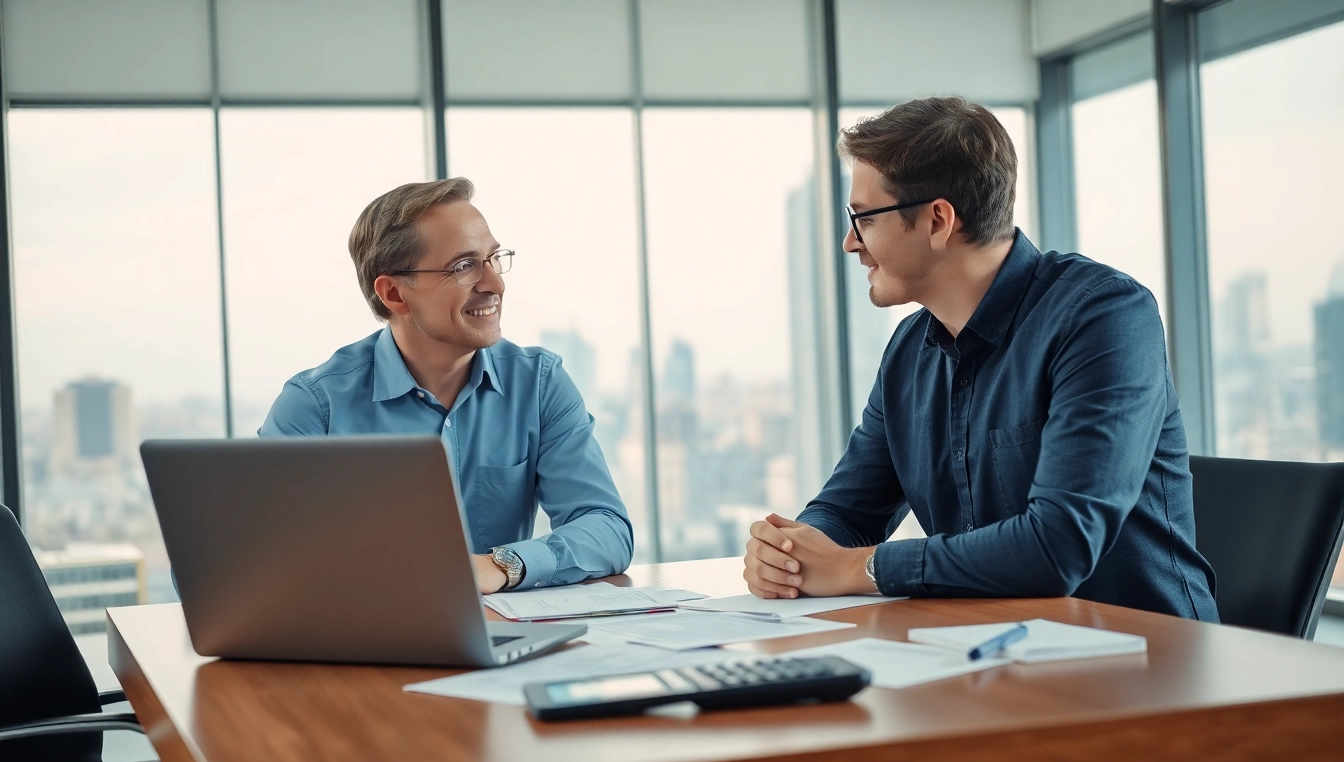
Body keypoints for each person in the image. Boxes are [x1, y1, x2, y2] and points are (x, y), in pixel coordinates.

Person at [743, 96, 1218, 621]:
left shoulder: (1103, 316)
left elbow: (1058, 546)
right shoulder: (908, 352)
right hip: (989, 655)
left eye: (863, 219)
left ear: (937, 220)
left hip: (1144, 665)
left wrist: (862, 568)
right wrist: (791, 553)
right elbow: (847, 509)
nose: (850, 243)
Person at [260, 178, 633, 594]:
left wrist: (502, 565)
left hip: (501, 636)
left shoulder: (539, 382)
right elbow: (254, 561)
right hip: (364, 642)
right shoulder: (315, 405)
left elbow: (607, 528)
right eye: (464, 266)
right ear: (394, 294)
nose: (495, 284)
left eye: (494, 258)